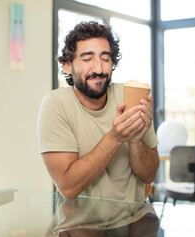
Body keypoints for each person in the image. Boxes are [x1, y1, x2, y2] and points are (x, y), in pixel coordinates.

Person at [37, 21, 159, 202]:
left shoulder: (130, 96)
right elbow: (68, 187)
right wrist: (116, 137)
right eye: (87, 59)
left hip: (133, 223)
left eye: (105, 58)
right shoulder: (56, 104)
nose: (99, 69)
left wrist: (135, 141)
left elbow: (149, 175)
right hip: (79, 227)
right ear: (67, 65)